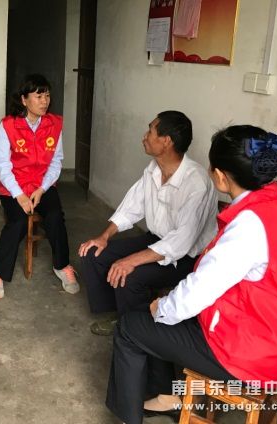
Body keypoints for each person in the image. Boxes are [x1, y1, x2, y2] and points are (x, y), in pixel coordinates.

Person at [105, 125, 277, 424]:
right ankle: (168, 396)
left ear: (221, 176)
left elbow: (197, 291)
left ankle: (128, 417)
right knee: (158, 318)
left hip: (251, 355)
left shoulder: (247, 226)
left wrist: (162, 307)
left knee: (132, 326)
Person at [78, 111, 218, 335]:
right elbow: (131, 207)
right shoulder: (153, 169)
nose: (144, 136)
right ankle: (119, 314)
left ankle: (137, 328)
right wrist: (103, 237)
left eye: (150, 131)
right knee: (93, 253)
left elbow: (181, 242)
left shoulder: (196, 182)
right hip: (156, 241)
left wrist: (130, 260)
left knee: (129, 274)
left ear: (166, 141)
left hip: (185, 257)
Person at [0, 74, 79, 299]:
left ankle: (62, 265)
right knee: (18, 221)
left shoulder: (54, 124)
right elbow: (2, 165)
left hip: (42, 185)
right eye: (38, 96)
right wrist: (19, 195)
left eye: (47, 95)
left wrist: (42, 189)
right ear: (24, 99)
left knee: (55, 216)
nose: (44, 101)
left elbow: (56, 161)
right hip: (13, 187)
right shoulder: (8, 125)